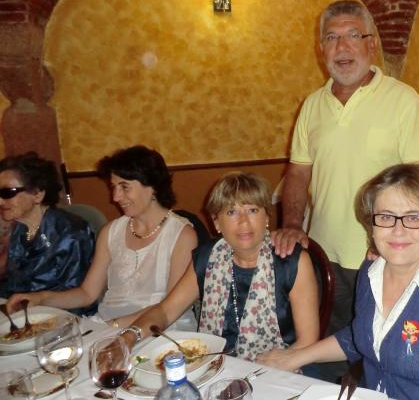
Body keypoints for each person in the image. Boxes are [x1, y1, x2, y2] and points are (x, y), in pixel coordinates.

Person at [259, 164, 419, 399]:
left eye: (413, 217)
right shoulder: (370, 271)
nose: (398, 230)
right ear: (371, 225)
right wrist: (294, 357)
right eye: (385, 217)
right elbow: (361, 334)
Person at [272, 0, 419, 338]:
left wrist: (392, 237)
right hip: (321, 253)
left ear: (371, 45)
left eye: (353, 35)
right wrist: (291, 225)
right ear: (321, 49)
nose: (342, 47)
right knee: (327, 342)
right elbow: (298, 173)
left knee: (380, 344)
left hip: (381, 254)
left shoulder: (404, 100)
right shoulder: (312, 105)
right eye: (332, 38)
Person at [118, 172, 319, 362]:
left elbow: (307, 342)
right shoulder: (209, 257)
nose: (244, 221)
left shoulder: (291, 262)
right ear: (216, 223)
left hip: (280, 368)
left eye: (252, 210)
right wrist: (128, 337)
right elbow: (166, 311)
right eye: (231, 212)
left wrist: (273, 366)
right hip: (217, 364)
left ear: (267, 217)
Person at [8, 146, 197, 329]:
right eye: (114, 187)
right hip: (108, 325)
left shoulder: (182, 235)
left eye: (124, 187)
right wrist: (41, 298)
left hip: (162, 330)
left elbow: (169, 307)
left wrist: (110, 327)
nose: (115, 197)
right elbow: (87, 293)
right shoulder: (111, 231)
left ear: (152, 186)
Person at [0, 153, 96, 315]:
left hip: (60, 318)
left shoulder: (71, 233)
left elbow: (78, 299)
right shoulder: (18, 228)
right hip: (19, 313)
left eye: (8, 193)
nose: (0, 201)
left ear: (38, 194)